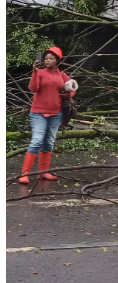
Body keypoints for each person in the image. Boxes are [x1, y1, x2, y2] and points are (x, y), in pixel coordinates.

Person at [22, 47, 76, 184]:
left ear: (57, 60)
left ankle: (43, 173)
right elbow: (33, 88)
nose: (48, 60)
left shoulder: (62, 75)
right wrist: (34, 71)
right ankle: (24, 174)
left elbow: (72, 88)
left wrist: (68, 94)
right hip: (38, 113)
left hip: (56, 113)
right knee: (37, 140)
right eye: (46, 58)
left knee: (49, 142)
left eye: (51, 58)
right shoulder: (39, 72)